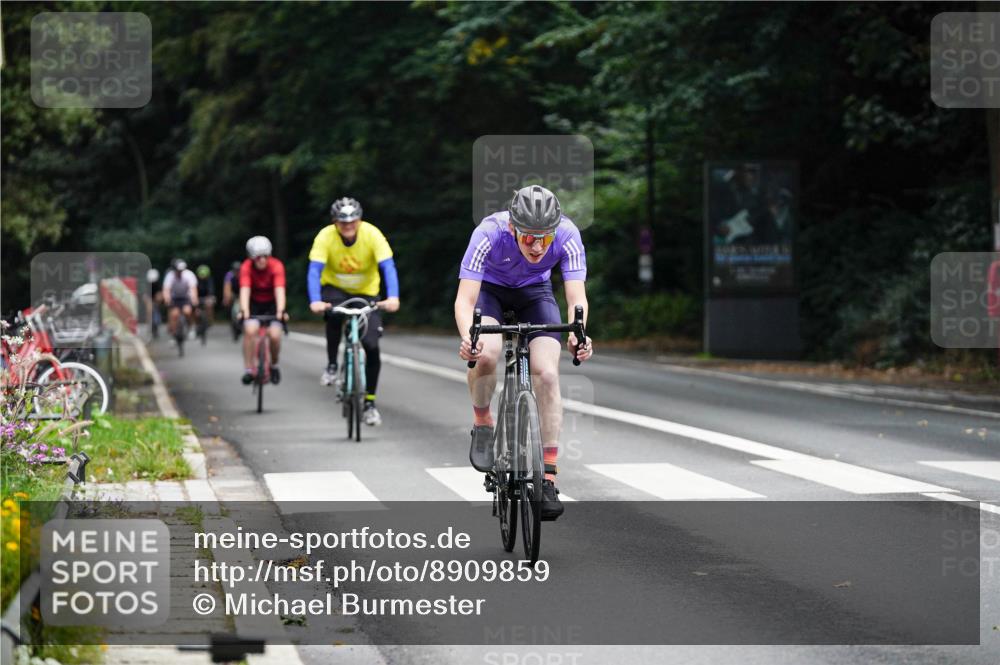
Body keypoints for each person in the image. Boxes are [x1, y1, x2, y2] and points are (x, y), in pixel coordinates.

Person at [455, 185, 593, 520]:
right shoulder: (488, 233)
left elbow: (576, 298)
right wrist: (469, 339)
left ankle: (546, 476)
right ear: (513, 228)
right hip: (491, 292)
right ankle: (483, 421)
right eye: (528, 236)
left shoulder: (568, 234)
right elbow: (465, 301)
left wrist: (579, 334)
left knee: (546, 372)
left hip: (535, 293)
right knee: (486, 354)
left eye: (544, 238)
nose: (536, 245)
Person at [307, 197, 400, 426]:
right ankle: (331, 365)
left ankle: (369, 403)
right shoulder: (325, 236)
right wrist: (315, 300)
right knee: (333, 314)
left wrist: (393, 297)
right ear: (335, 223)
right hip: (335, 289)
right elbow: (314, 270)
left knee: (372, 346)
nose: (348, 227)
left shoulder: (372, 234)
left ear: (359, 221)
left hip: (366, 293)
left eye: (352, 222)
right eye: (342, 223)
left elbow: (387, 266)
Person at [239, 236, 287, 385]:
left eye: (265, 256)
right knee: (250, 330)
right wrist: (245, 310)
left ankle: (274, 364)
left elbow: (279, 290)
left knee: (274, 336)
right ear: (252, 257)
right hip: (254, 303)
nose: (262, 260)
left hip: (272, 303)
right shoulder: (246, 267)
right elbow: (244, 290)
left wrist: (280, 310)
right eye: (258, 257)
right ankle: (248, 369)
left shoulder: (276, 266)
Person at [162, 259, 199, 341]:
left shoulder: (189, 275)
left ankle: (191, 327)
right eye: (178, 270)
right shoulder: (170, 276)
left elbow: (193, 288)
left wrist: (194, 299)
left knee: (187, 311)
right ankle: (174, 335)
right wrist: (167, 299)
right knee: (174, 315)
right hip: (175, 298)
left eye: (181, 270)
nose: (180, 272)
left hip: (186, 297)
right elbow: (166, 289)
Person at [222, 260, 243, 340]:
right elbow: (227, 287)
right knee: (229, 305)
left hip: (242, 292)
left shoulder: (243, 275)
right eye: (235, 270)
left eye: (238, 270)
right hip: (233, 293)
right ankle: (232, 322)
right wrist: (226, 298)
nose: (237, 272)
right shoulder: (229, 275)